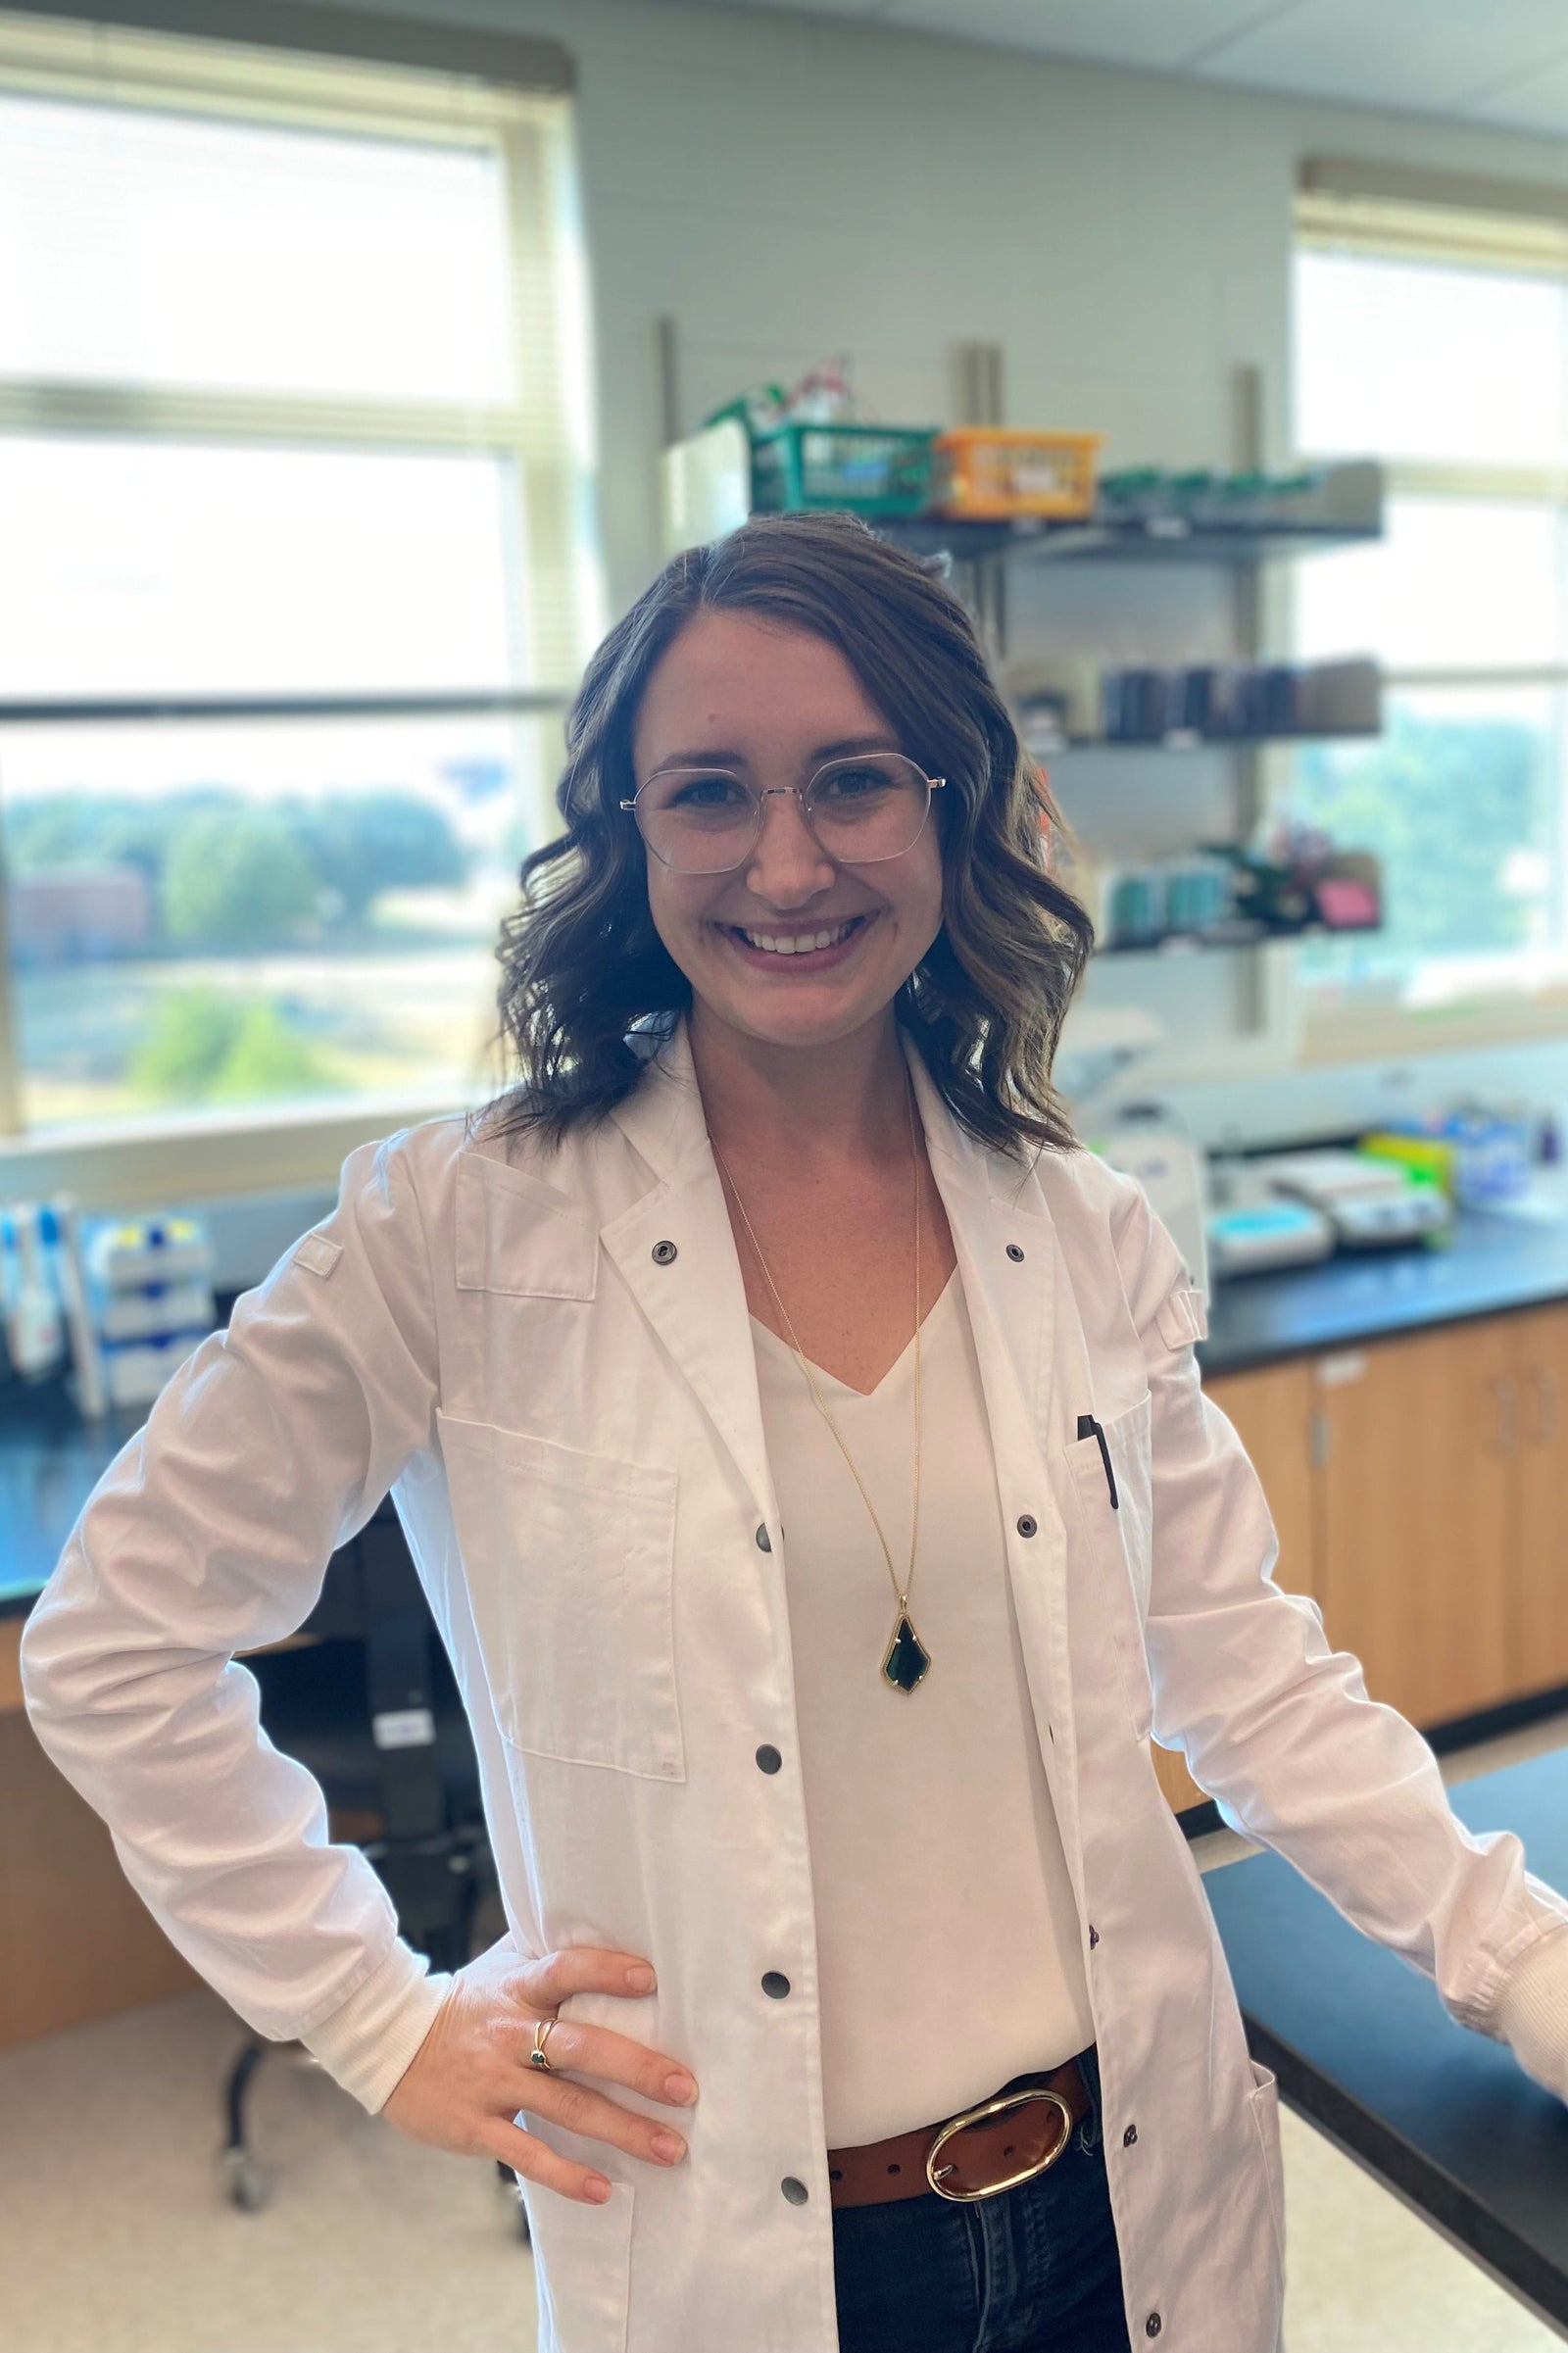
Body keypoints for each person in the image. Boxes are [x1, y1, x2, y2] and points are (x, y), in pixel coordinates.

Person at [21, 511, 1568, 2353]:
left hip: (1133, 2201)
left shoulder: (1080, 1231)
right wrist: (375, 2013)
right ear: (628, 836)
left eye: (851, 779)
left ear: (950, 806)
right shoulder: (462, 1231)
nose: (786, 860)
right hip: (749, 2259)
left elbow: (1252, 1684)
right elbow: (117, 1637)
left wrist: (1529, 1968)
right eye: (707, 793)